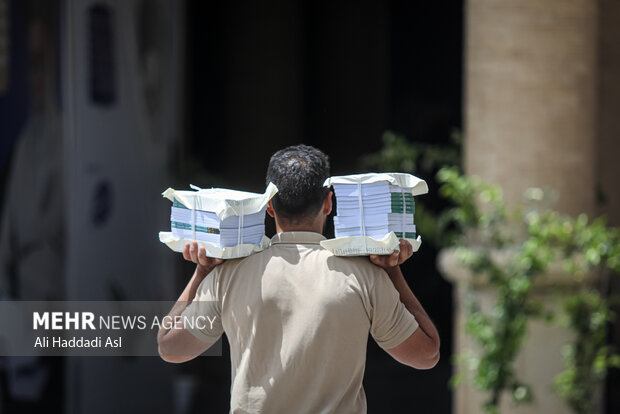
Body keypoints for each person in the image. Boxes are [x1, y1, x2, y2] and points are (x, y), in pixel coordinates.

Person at [157, 144, 440, 413]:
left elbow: (170, 348)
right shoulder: (364, 276)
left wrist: (202, 272)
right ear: (329, 203)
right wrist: (391, 271)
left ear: (268, 206)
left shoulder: (228, 275)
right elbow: (426, 355)